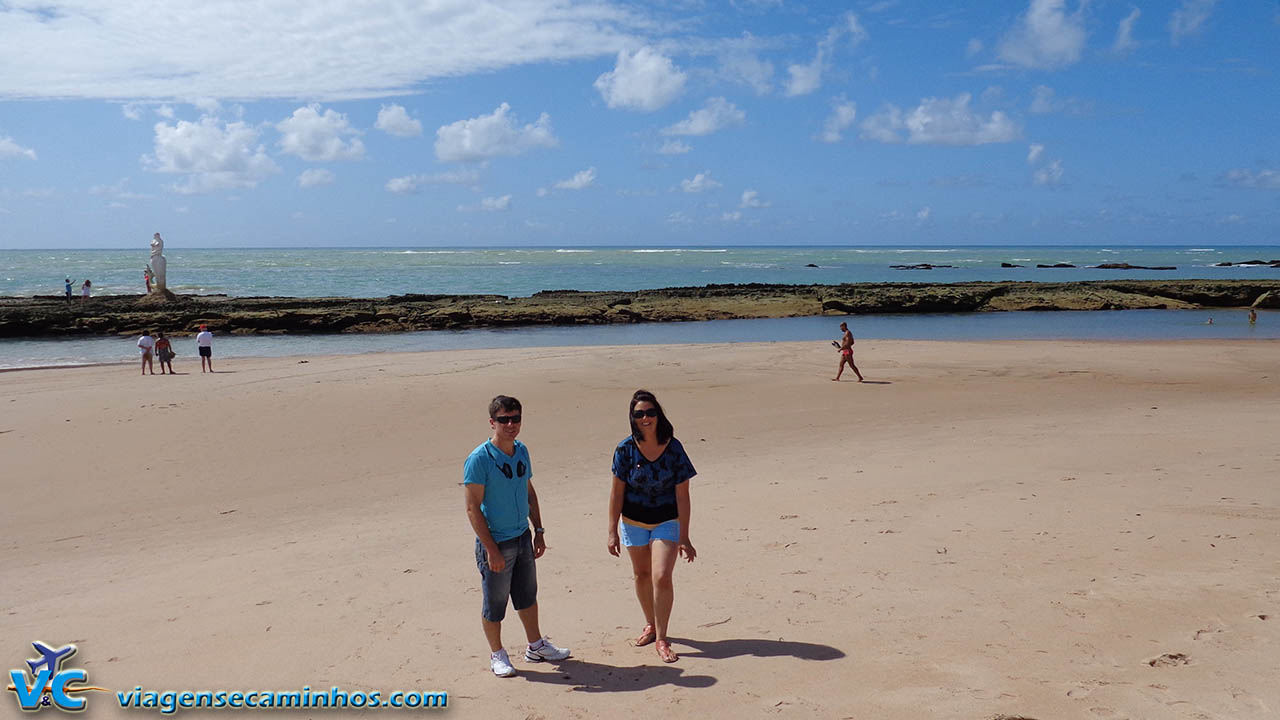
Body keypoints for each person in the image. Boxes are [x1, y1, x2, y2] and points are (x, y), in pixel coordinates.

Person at [463, 395, 571, 678]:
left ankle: (535, 646)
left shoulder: (521, 450)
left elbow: (529, 491)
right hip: (496, 542)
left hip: (523, 536)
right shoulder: (479, 459)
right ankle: (497, 654)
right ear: (492, 422)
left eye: (515, 419)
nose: (510, 424)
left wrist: (539, 530)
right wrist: (491, 549)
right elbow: (472, 508)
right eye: (504, 420)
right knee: (495, 603)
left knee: (527, 596)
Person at [607, 389, 697, 663]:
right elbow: (616, 493)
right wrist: (612, 530)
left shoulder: (673, 448)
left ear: (658, 414)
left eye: (650, 412)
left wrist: (685, 536)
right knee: (642, 575)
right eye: (639, 414)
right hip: (633, 521)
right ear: (632, 418)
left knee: (661, 576)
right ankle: (651, 624)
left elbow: (683, 494)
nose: (645, 418)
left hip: (666, 521)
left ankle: (662, 637)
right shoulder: (625, 449)